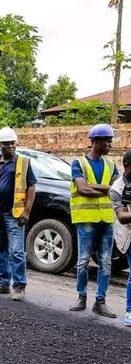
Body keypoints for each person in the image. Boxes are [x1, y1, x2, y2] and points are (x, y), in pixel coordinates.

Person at [68, 123, 119, 317]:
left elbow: (117, 190)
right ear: (95, 141)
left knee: (106, 262)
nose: (110, 144)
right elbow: (82, 190)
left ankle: (100, 301)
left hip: (106, 220)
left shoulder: (111, 165)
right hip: (86, 219)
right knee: (82, 261)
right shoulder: (78, 163)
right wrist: (106, 188)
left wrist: (96, 187)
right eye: (107, 140)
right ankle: (82, 297)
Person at [0, 127, 37, 302]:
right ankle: (3, 283)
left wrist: (27, 211)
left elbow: (31, 187)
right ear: (0, 145)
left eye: (12, 143)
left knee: (17, 252)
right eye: (6, 144)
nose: (10, 146)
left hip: (15, 214)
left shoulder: (23, 163)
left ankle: (19, 286)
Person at [109, 151, 131, 326]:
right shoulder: (117, 188)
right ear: (127, 166)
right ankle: (130, 311)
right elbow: (122, 217)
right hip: (128, 235)